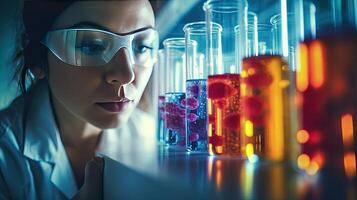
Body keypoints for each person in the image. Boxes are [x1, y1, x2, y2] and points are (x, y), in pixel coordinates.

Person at [0, 0, 158, 199]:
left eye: (142, 47)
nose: (126, 75)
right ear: (37, 58)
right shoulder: (5, 158)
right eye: (93, 46)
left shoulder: (153, 139)